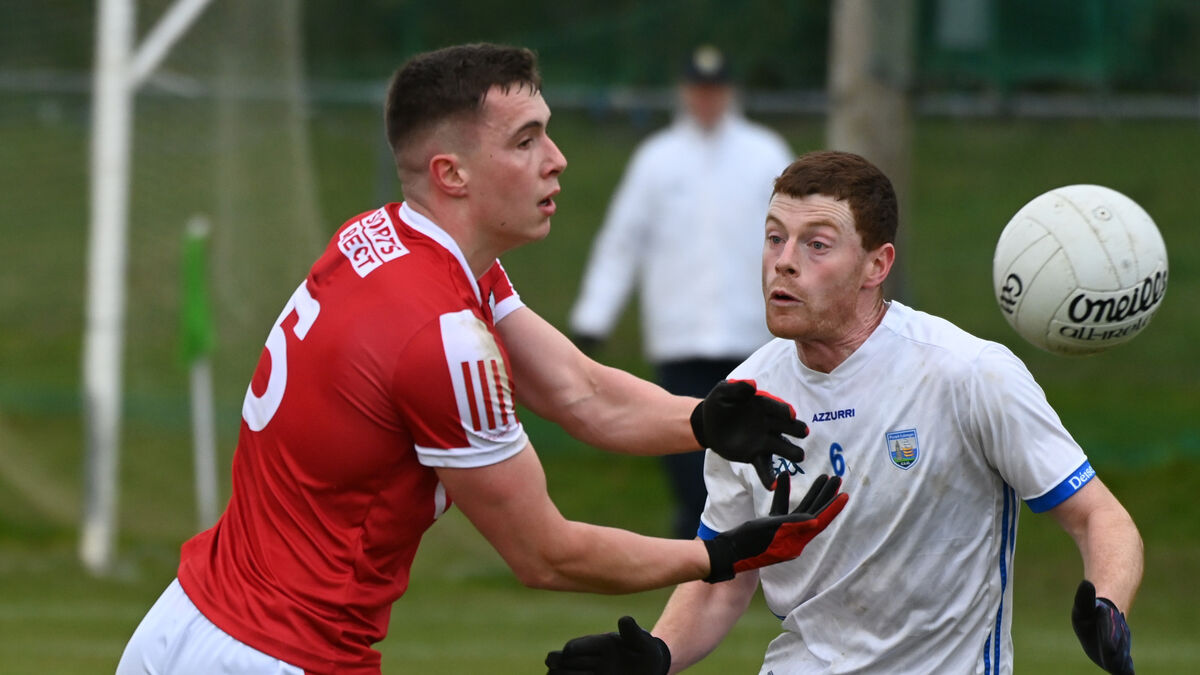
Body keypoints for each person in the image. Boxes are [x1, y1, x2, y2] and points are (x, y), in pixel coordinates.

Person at [115, 44, 849, 675]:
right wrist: (719, 556)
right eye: (526, 141)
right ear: (452, 174)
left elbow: (578, 391)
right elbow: (546, 554)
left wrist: (702, 422)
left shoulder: (390, 238)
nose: (556, 160)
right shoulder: (443, 337)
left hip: (186, 618)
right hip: (279, 652)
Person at [547, 151, 1143, 675]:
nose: (783, 262)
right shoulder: (744, 401)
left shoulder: (968, 374)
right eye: (774, 237)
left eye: (817, 244)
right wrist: (658, 655)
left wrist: (1108, 604)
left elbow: (1099, 517)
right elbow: (726, 575)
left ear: (876, 266)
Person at [569, 45, 794, 539]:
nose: (706, 99)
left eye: (715, 90)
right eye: (698, 89)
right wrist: (594, 316)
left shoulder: (765, 154)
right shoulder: (657, 159)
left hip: (750, 336)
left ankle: (753, 553)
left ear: (730, 92)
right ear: (684, 93)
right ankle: (697, 551)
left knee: (755, 454)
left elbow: (795, 233)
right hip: (680, 336)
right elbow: (623, 240)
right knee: (686, 453)